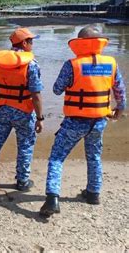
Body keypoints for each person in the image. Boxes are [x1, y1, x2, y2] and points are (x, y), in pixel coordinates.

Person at [39, 26, 126, 217]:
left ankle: (52, 199)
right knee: (94, 156)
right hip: (99, 120)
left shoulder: (72, 64)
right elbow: (120, 89)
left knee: (56, 158)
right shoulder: (111, 63)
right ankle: (93, 194)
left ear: (80, 43)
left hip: (74, 122)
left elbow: (56, 89)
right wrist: (120, 108)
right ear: (99, 43)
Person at [0, 28, 44, 197]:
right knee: (25, 147)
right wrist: (40, 118)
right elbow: (36, 94)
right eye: (31, 41)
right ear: (24, 43)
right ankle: (22, 181)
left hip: (2, 110)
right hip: (24, 112)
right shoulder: (31, 64)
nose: (33, 45)